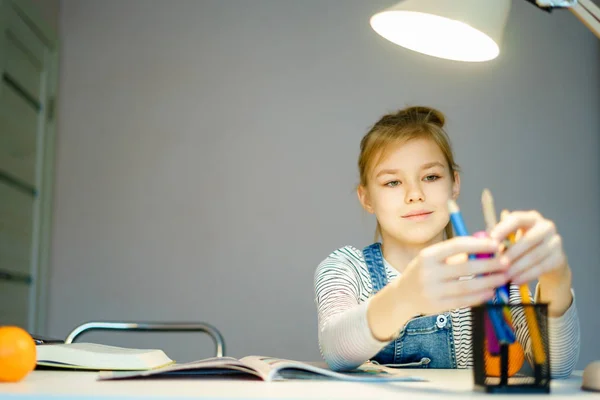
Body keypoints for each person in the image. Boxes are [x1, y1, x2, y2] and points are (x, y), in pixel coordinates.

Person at [314, 106, 580, 377]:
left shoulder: (491, 272)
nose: (415, 194)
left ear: (454, 184)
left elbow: (554, 367)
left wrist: (556, 279)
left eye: (431, 177)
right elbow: (337, 351)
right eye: (392, 182)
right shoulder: (346, 269)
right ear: (366, 197)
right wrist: (406, 296)